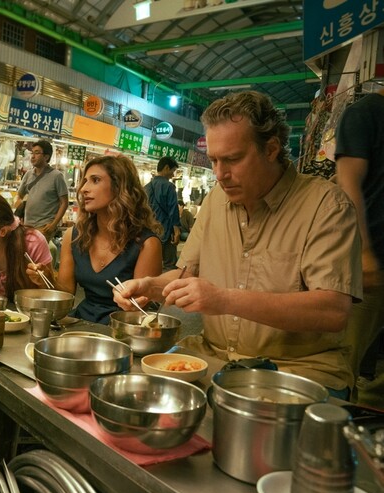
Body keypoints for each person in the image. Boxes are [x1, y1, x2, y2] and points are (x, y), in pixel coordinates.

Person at [114, 91, 362, 398]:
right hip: (213, 356)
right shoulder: (215, 200)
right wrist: (150, 285)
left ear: (271, 149)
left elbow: (333, 311)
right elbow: (186, 274)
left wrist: (225, 300)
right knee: (133, 391)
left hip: (296, 369)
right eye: (214, 160)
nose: (220, 174)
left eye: (233, 159)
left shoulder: (325, 205)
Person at [44, 155, 162, 324]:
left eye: (96, 180)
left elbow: (139, 308)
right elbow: (66, 295)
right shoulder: (74, 235)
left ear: (119, 187)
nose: (84, 189)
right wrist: (47, 277)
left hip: (121, 328)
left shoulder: (146, 244)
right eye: (85, 181)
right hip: (81, 323)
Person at [334, 87, 384, 403]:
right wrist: (363, 252)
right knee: (344, 363)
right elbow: (348, 185)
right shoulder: (365, 113)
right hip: (370, 264)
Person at [13, 140, 68, 240]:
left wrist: (53, 224)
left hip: (44, 226)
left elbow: (64, 203)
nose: (33, 156)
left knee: (36, 250)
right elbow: (19, 195)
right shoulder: (28, 174)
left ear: (46, 157)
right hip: (27, 225)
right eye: (32, 153)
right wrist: (18, 205)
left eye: (37, 153)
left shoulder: (56, 176)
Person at [145, 156, 180, 271]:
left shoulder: (146, 187)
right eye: (173, 170)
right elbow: (173, 210)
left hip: (149, 231)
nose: (173, 174)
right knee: (169, 265)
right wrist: (176, 231)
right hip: (166, 231)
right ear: (166, 168)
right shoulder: (169, 186)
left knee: (150, 264)